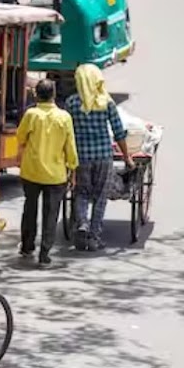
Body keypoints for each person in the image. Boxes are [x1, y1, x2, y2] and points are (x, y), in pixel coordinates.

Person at [64, 64, 134, 251]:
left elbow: (67, 132)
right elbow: (119, 133)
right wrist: (127, 157)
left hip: (81, 157)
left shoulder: (71, 103)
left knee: (81, 193)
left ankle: (82, 224)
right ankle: (94, 237)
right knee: (100, 196)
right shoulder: (106, 103)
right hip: (103, 156)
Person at [16, 79, 79, 267]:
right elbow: (70, 147)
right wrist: (73, 170)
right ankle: (44, 253)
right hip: (56, 174)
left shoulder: (31, 114)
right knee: (51, 214)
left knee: (30, 209)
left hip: (31, 172)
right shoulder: (64, 117)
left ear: (36, 95)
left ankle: (27, 247)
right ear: (54, 95)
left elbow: (20, 137)